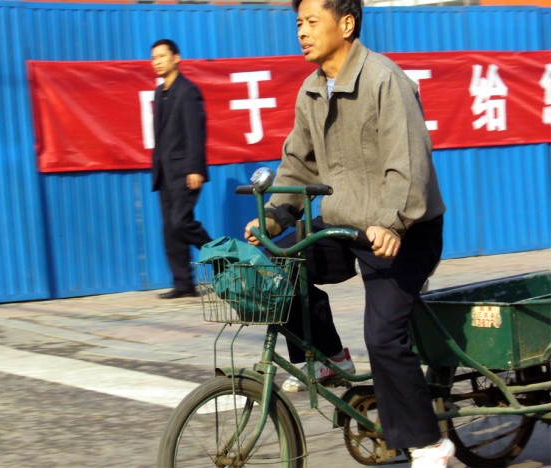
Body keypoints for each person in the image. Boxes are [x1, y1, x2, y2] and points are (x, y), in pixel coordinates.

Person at [243, 0, 454, 465]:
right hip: (344, 224)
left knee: (383, 336)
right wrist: (276, 217)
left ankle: (429, 443)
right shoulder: (311, 89)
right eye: (298, 22)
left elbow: (409, 162)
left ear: (346, 23)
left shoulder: (385, 80)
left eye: (312, 21)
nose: (302, 31)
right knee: (279, 267)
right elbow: (298, 165)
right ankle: (331, 353)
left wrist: (393, 222)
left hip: (406, 230)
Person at [151, 39, 212, 299]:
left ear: (176, 58)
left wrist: (195, 168)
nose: (157, 61)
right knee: (170, 229)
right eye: (154, 58)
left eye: (162, 56)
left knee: (180, 221)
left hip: (185, 171)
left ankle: (223, 257)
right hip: (164, 172)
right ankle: (183, 284)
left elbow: (195, 132)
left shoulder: (188, 91)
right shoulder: (159, 92)